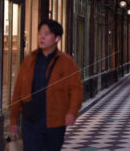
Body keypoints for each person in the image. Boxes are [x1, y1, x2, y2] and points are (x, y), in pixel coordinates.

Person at [10, 19, 83, 151]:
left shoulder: (66, 62)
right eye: (40, 33)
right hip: (30, 120)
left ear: (57, 39)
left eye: (47, 33)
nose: (41, 36)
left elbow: (76, 89)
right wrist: (13, 119)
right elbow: (18, 90)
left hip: (55, 121)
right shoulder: (29, 60)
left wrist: (72, 112)